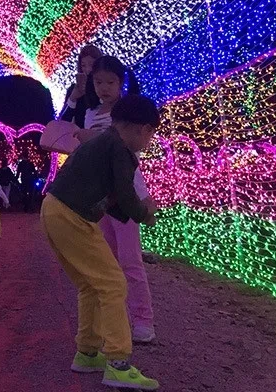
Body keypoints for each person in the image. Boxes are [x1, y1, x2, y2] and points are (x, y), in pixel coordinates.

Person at [41, 95, 161, 391]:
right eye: (150, 135)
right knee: (112, 284)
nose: (148, 143)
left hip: (55, 210)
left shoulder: (104, 143)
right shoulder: (119, 149)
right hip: (72, 215)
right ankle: (118, 363)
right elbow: (127, 195)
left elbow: (113, 202)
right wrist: (146, 213)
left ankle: (87, 352)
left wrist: (135, 211)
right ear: (141, 129)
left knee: (90, 284)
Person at [75, 55, 154, 343]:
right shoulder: (90, 113)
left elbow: (129, 157)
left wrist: (143, 198)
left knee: (131, 260)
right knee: (106, 262)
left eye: (110, 82)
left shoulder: (128, 114)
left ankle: (143, 320)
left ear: (121, 83)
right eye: (98, 82)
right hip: (100, 197)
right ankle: (117, 319)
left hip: (125, 193)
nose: (104, 88)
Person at [60, 44, 102, 128]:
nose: (88, 69)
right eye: (83, 65)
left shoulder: (103, 87)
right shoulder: (74, 89)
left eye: (91, 65)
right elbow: (62, 122)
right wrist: (73, 98)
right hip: (80, 138)